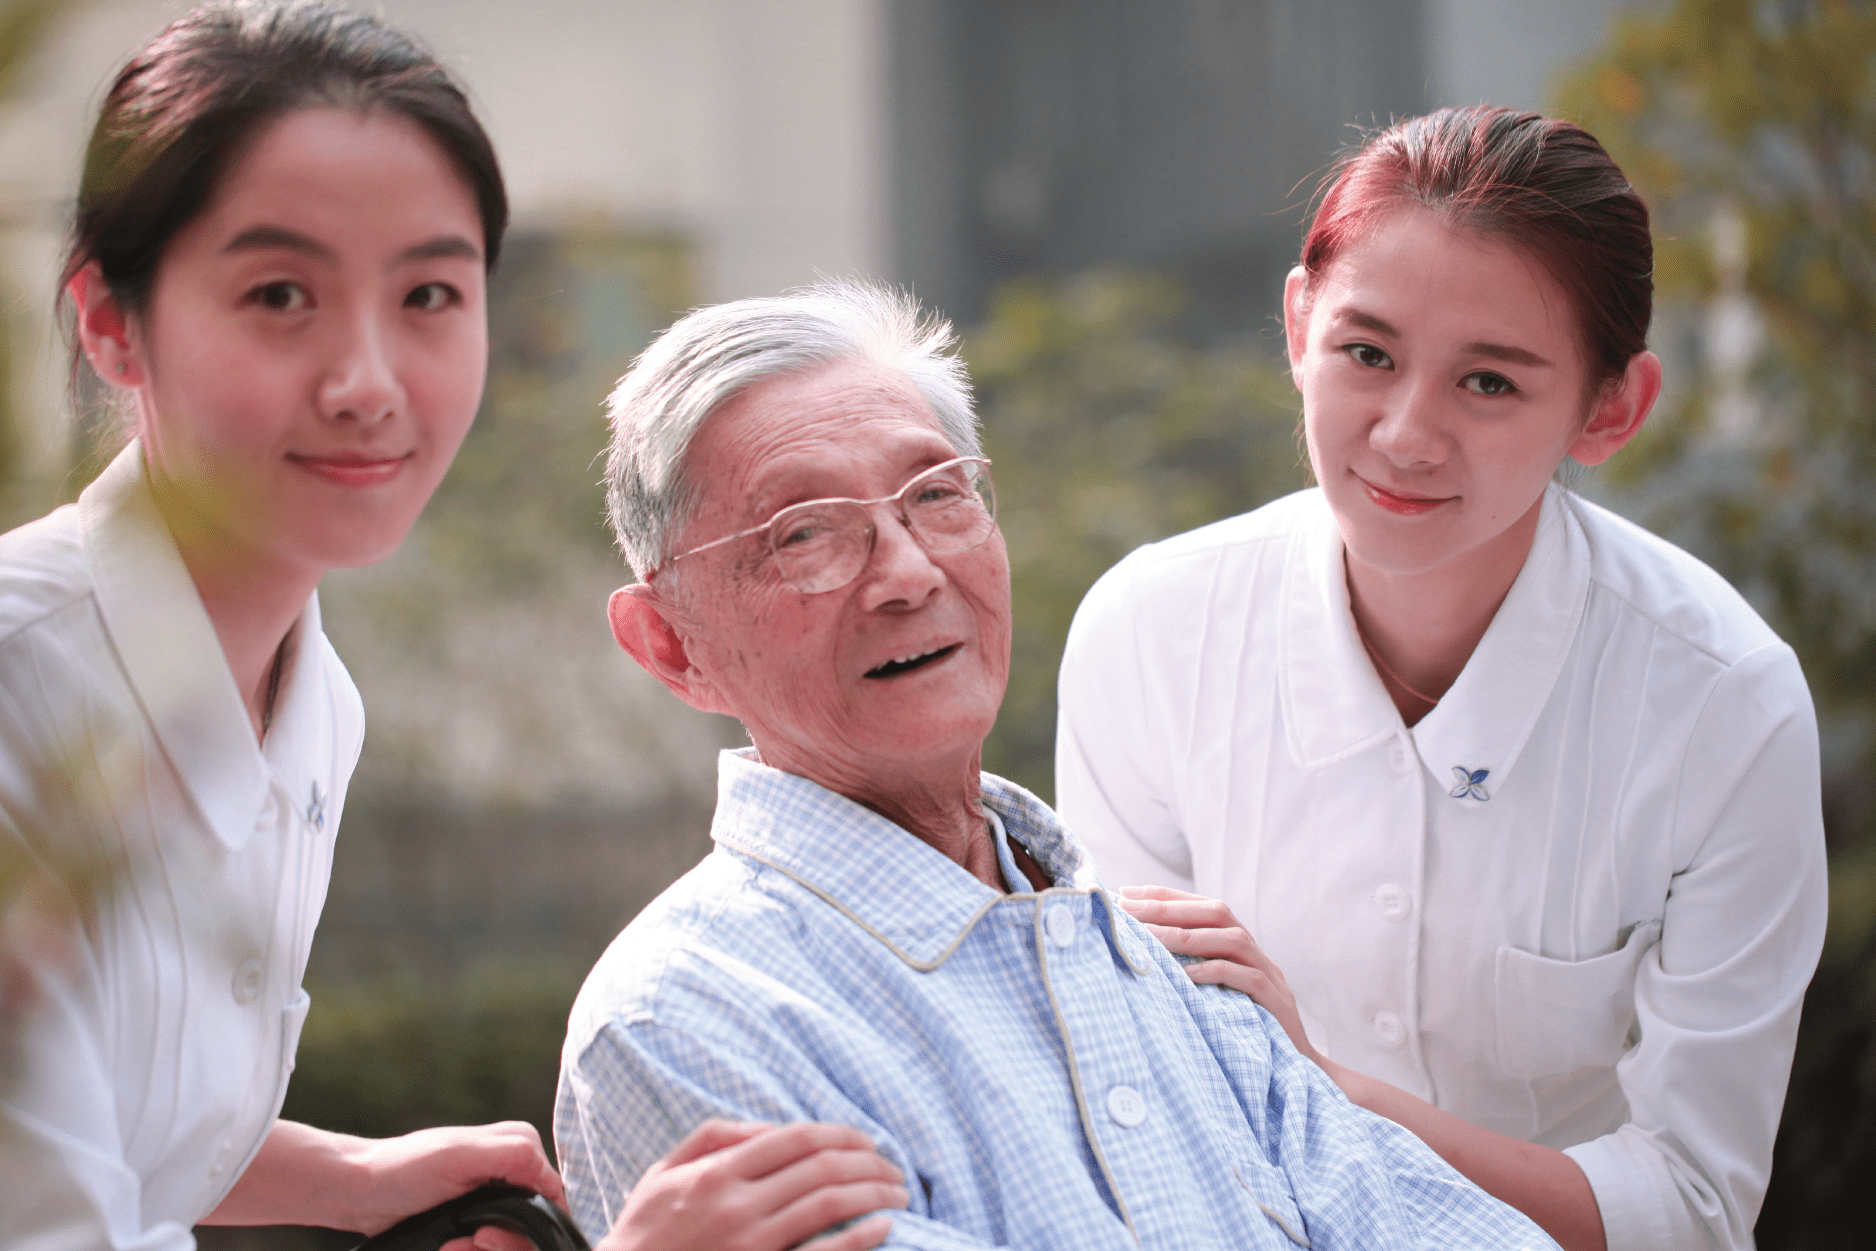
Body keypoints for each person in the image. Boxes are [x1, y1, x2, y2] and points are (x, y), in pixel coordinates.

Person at [0, 5, 902, 1250]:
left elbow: (108, 1113)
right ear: (111, 320)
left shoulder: (304, 700)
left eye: (428, 292)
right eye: (279, 294)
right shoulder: (18, 713)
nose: (367, 382)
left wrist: (346, 1177)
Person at [554, 277, 1562, 1250]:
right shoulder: (689, 1020)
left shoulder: (1168, 960)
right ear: (670, 646)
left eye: (937, 493)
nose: (908, 573)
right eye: (804, 534)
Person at [1054, 105, 1827, 1251]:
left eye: (1489, 385)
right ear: (1296, 324)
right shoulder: (1150, 634)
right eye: (1367, 354)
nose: (1406, 436)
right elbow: (1130, 1092)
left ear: (1610, 407)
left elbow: (1693, 1206)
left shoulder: (1723, 706)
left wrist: (1320, 1092)